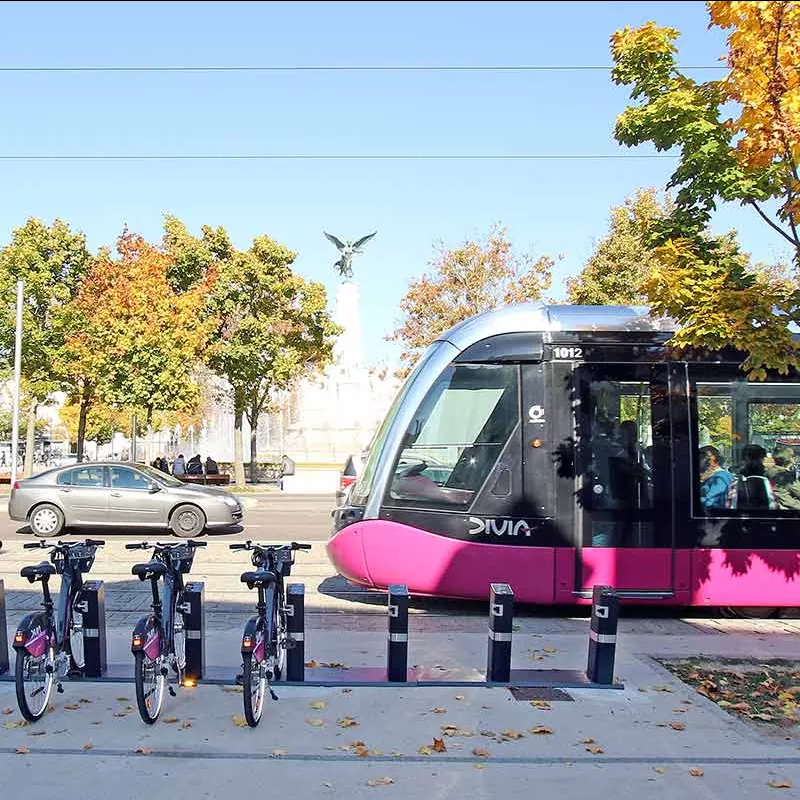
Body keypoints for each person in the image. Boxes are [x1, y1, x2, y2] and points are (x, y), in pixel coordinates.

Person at [727, 444, 778, 510]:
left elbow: (730, 506)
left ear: (745, 460)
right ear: (761, 460)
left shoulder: (736, 484)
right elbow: (774, 506)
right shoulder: (769, 483)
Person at [766, 446, 800, 510]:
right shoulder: (786, 476)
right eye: (793, 457)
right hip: (791, 508)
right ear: (790, 459)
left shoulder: (768, 472)